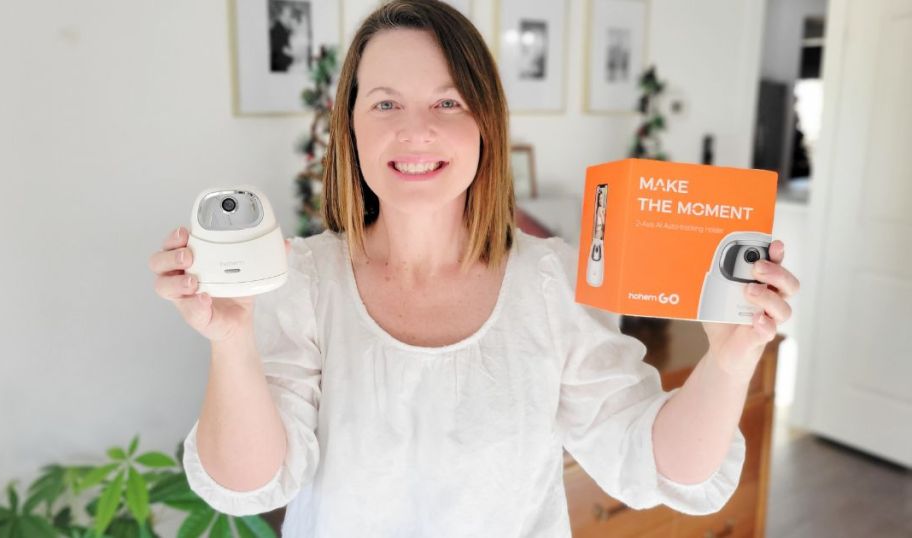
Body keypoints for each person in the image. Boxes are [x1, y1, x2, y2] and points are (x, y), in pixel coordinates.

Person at [147, 1, 800, 536]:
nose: (416, 130)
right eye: (384, 104)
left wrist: (731, 358)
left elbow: (664, 466)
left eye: (448, 102)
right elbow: (248, 484)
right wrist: (230, 341)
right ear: (349, 126)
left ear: (487, 122)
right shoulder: (306, 281)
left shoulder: (550, 282)